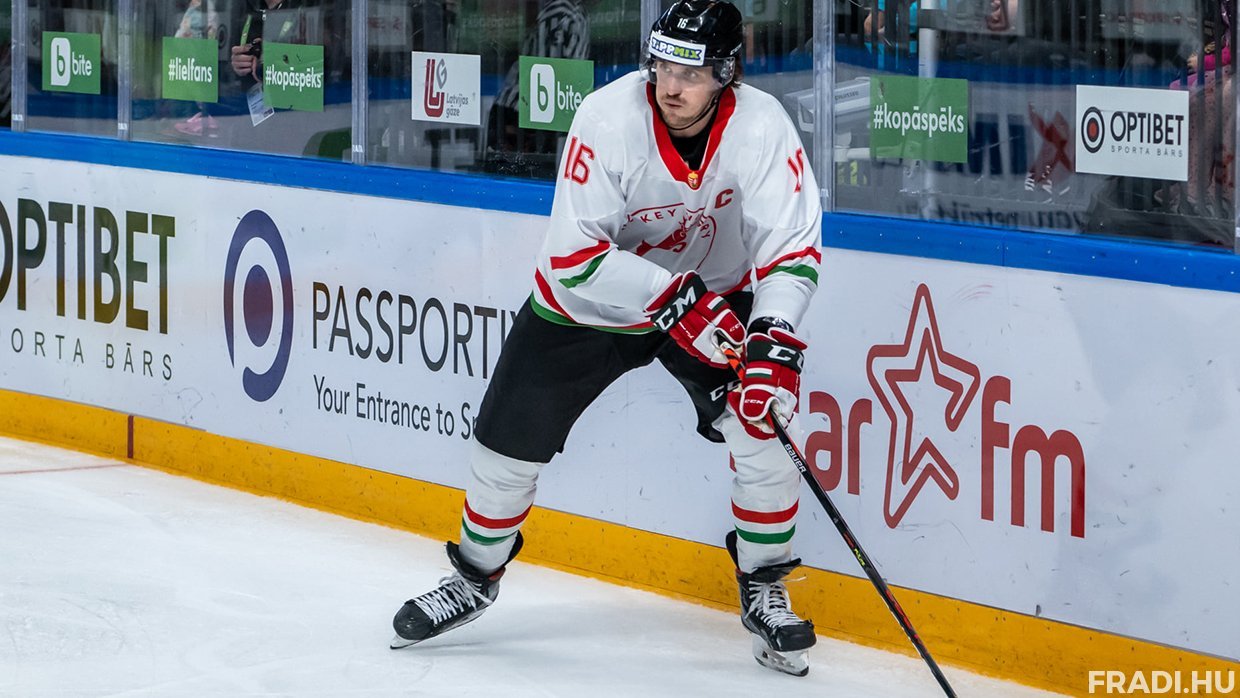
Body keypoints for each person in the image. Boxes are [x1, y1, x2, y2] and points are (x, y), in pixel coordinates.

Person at [391, 0, 824, 677]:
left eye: (691, 73)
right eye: (663, 66)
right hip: (590, 303)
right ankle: (474, 577)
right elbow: (574, 257)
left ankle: (764, 586)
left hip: (714, 292)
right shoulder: (607, 117)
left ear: (727, 74)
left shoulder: (763, 126)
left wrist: (773, 334)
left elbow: (791, 249)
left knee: (765, 428)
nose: (671, 86)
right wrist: (675, 300)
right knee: (505, 448)